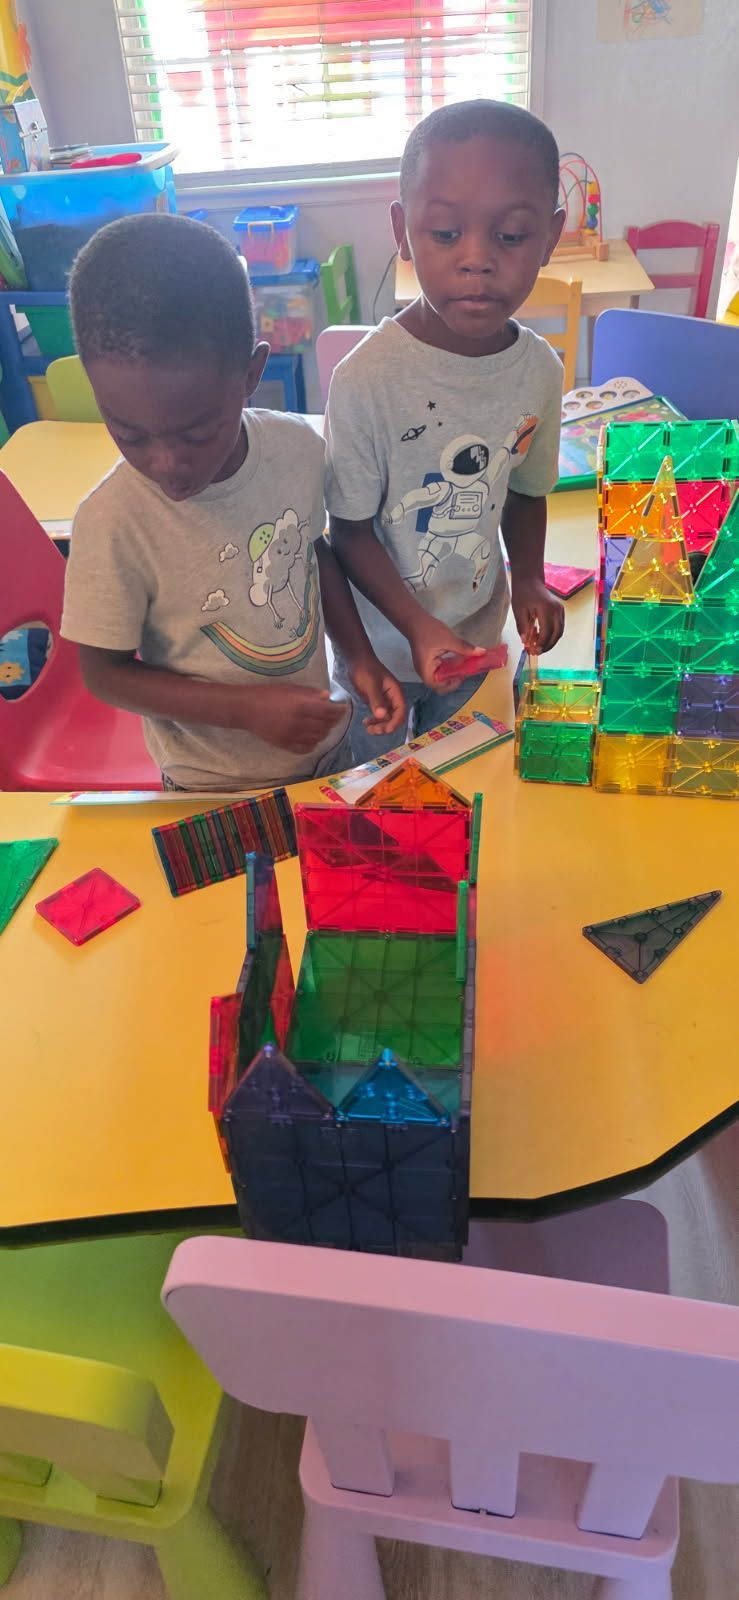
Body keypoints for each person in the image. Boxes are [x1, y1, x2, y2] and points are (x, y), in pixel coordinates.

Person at [61, 213, 405, 791]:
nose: (167, 463)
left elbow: (313, 554)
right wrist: (244, 710)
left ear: (251, 374)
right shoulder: (112, 523)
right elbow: (104, 674)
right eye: (129, 434)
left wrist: (360, 657)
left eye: (197, 432)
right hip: (206, 780)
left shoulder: (298, 449)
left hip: (324, 751)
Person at [325, 98, 567, 762]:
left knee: (462, 784)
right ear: (403, 232)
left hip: (475, 641)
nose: (476, 260)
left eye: (510, 236)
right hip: (377, 652)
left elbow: (525, 490)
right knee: (367, 790)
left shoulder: (539, 371)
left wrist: (529, 579)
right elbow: (347, 532)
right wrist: (416, 626)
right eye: (445, 233)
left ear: (550, 236)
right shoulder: (365, 379)